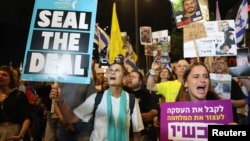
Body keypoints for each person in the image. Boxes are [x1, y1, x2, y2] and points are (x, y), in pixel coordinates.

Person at [50, 63, 144, 141]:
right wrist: (61, 101)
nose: (112, 73)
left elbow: (136, 134)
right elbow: (72, 118)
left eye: (117, 71)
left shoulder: (131, 100)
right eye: (110, 70)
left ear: (124, 78)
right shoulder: (96, 98)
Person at [124, 70, 159, 141]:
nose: (130, 78)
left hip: (141, 131)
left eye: (133, 77)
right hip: (123, 130)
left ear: (140, 82)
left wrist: (149, 114)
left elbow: (155, 109)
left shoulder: (146, 94)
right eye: (129, 76)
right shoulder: (121, 92)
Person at [0, 65, 31, 141]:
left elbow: (27, 118)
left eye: (4, 75)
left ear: (11, 79)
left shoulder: (19, 95)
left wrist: (21, 135)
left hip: (13, 134)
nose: (0, 77)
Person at [213, 57, 246, 123]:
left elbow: (243, 102)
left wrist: (230, 102)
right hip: (212, 118)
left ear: (225, 66)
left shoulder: (232, 82)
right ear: (213, 66)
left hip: (230, 119)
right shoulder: (207, 82)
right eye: (216, 63)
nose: (219, 65)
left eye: (221, 63)